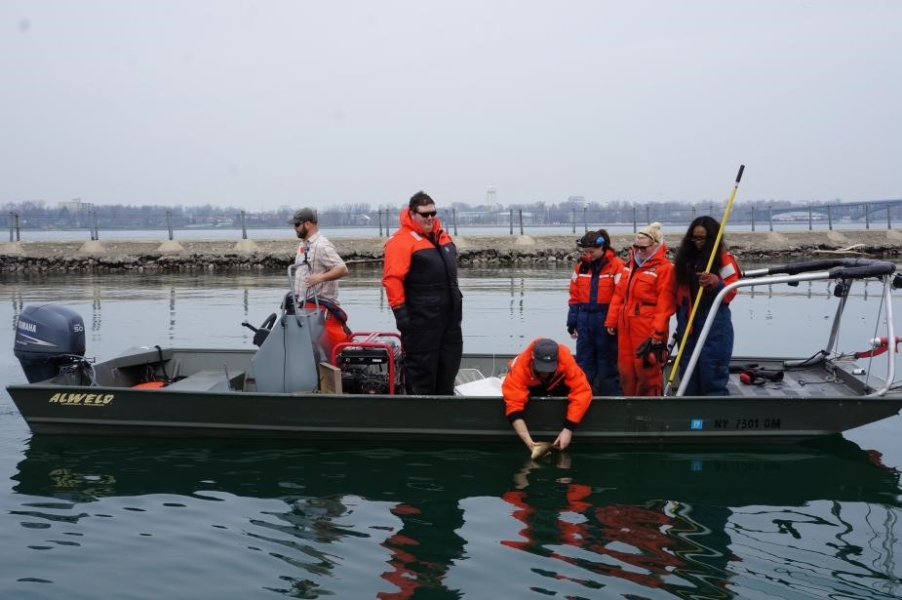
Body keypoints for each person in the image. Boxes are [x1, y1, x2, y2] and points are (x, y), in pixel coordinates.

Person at [382, 191, 463, 395]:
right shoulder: (400, 241)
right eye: (424, 214)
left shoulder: (442, 237)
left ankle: (445, 414)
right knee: (422, 375)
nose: (429, 218)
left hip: (450, 321)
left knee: (448, 369)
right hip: (421, 323)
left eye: (432, 213)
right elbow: (392, 280)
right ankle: (421, 417)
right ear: (412, 214)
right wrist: (402, 317)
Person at [604, 222, 675, 397]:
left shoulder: (664, 269)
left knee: (647, 373)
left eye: (643, 248)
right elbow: (619, 296)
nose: (639, 251)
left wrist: (657, 335)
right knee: (626, 371)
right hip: (626, 327)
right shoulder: (629, 267)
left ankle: (649, 409)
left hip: (647, 329)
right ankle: (630, 406)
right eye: (636, 247)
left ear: (655, 246)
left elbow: (665, 305)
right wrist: (611, 320)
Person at [672, 216, 741, 395]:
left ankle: (712, 412)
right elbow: (675, 294)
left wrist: (716, 283)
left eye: (702, 238)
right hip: (688, 319)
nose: (697, 242)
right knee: (688, 369)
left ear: (712, 238)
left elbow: (732, 291)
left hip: (714, 319)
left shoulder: (724, 260)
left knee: (712, 367)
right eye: (694, 238)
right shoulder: (684, 261)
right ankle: (690, 415)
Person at [502, 338, 593, 452]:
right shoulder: (519, 368)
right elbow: (514, 405)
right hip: (533, 386)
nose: (545, 372)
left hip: (557, 384)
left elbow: (582, 391)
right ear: (533, 356)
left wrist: (568, 429)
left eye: (549, 368)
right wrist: (530, 443)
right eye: (542, 367)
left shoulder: (566, 360)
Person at [567, 229, 627, 396]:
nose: (587, 255)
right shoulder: (581, 268)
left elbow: (620, 296)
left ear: (602, 248)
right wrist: (572, 322)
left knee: (607, 364)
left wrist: (612, 321)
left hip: (605, 320)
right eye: (585, 251)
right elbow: (574, 296)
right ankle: (583, 398)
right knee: (584, 363)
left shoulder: (617, 266)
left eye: (591, 252)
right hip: (584, 320)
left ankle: (611, 401)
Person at [288, 207, 351, 358]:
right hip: (305, 308)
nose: (294, 228)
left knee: (331, 355)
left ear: (307, 224)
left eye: (297, 225)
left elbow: (342, 269)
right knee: (309, 354)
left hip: (322, 310)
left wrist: (320, 278)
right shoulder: (303, 245)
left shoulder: (322, 245)